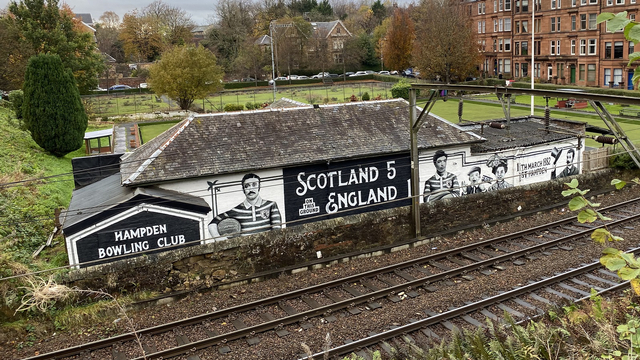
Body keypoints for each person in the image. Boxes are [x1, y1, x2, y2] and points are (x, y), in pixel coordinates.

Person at [208, 173, 281, 240]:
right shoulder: (237, 210)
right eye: (247, 186)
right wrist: (220, 239)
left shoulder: (271, 205)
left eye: (254, 185)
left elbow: (277, 231)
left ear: (259, 186)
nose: (251, 189)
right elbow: (212, 223)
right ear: (243, 189)